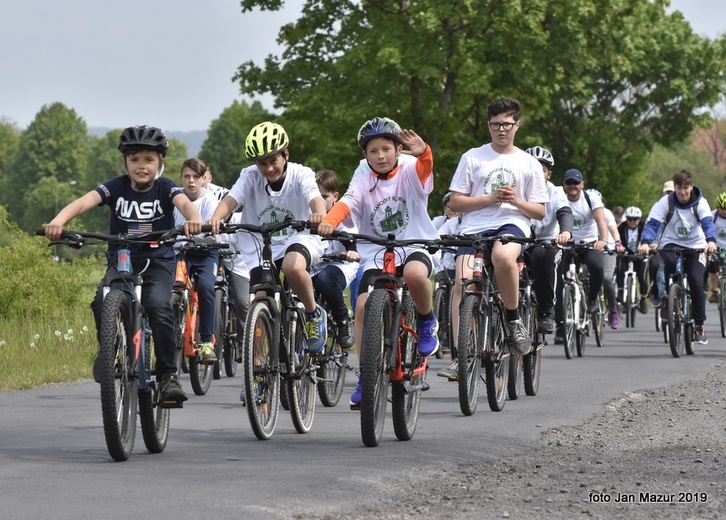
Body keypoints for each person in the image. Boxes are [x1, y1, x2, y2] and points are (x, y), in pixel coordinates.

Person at [44, 125, 203, 406]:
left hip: (157, 262)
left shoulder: (166, 187)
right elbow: (84, 202)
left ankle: (167, 375)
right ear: (125, 163)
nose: (141, 166)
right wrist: (59, 221)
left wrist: (193, 219)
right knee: (100, 301)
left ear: (160, 163)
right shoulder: (115, 186)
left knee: (157, 306)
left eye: (148, 160)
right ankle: (109, 350)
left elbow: (185, 204)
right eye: (134, 160)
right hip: (122, 260)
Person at [317, 116, 439, 408]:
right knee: (361, 305)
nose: (380, 156)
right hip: (376, 250)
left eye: (386, 149)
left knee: (413, 273)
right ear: (365, 155)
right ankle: (367, 374)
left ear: (398, 148)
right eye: (373, 151)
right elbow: (349, 200)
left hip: (414, 243)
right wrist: (330, 221)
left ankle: (426, 320)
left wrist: (424, 153)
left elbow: (425, 173)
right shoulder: (363, 173)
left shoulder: (410, 166)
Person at [206, 121, 329, 355]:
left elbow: (314, 197)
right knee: (260, 301)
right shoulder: (250, 176)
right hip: (261, 242)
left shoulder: (301, 174)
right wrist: (216, 218)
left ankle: (313, 314)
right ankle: (258, 373)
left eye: (274, 161)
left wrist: (319, 213)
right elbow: (231, 200)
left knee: (293, 268)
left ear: (286, 155)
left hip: (298, 236)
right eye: (263, 163)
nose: (269, 168)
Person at [448, 97, 548, 359]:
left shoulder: (529, 163)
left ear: (517, 125)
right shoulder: (472, 157)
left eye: (506, 124)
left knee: (502, 256)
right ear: (488, 125)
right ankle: (462, 354)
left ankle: (514, 320)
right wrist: (491, 198)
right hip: (474, 227)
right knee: (462, 283)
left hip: (512, 222)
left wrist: (514, 200)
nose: (501, 129)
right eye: (495, 125)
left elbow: (539, 211)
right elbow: (456, 201)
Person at [638, 169, 717, 344]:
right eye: (679, 187)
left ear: (691, 187)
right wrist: (645, 242)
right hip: (671, 243)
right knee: (666, 262)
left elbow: (707, 224)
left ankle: (699, 324)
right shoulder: (665, 202)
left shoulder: (700, 203)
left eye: (686, 187)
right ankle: (667, 298)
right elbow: (652, 224)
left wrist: (711, 241)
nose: (682, 192)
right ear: (674, 188)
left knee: (696, 280)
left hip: (696, 245)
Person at [173, 157, 220, 364]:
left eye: (195, 177)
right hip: (181, 252)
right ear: (181, 178)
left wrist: (195, 233)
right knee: (170, 288)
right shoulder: (174, 198)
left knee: (206, 288)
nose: (191, 181)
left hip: (206, 252)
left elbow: (213, 230)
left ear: (203, 179)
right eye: (187, 177)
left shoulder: (209, 199)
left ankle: (206, 341)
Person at [554, 169, 609, 342]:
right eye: (568, 183)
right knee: (559, 284)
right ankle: (561, 328)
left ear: (582, 185)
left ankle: (592, 299)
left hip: (588, 244)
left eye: (575, 183)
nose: (572, 186)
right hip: (566, 245)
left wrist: (603, 240)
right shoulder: (559, 199)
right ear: (564, 185)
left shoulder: (590, 198)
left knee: (597, 266)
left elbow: (601, 221)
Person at [310, 168, 359, 349]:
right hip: (314, 265)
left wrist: (352, 251)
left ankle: (343, 322)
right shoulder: (308, 215)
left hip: (340, 265)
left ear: (335, 196)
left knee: (326, 279)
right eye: (316, 197)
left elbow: (351, 239)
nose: (320, 202)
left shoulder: (343, 215)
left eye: (325, 197)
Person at [588, 189, 625, 330]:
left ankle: (613, 310)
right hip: (589, 249)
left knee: (606, 278)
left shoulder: (607, 213)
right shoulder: (582, 210)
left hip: (607, 250)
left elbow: (614, 230)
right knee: (581, 276)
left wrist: (617, 242)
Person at [616, 206, 649, 314]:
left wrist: (647, 248)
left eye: (635, 219)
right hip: (626, 254)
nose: (632, 222)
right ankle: (621, 291)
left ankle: (643, 299)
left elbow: (649, 238)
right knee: (620, 266)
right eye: (629, 219)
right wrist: (619, 249)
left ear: (639, 219)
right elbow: (617, 239)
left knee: (643, 277)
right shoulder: (621, 227)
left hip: (640, 255)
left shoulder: (644, 227)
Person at [706, 192, 726, 302]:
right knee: (712, 266)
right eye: (721, 208)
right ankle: (714, 291)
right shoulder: (713, 216)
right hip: (716, 247)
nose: (724, 211)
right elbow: (706, 229)